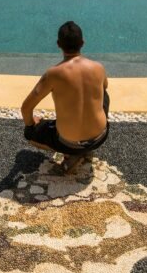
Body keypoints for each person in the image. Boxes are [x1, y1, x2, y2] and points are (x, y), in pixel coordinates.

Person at [22, 21, 110, 172]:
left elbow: (26, 108)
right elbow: (104, 88)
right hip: (100, 136)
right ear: (82, 43)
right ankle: (85, 149)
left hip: (68, 143)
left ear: (58, 44)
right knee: (104, 94)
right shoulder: (98, 67)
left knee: (29, 133)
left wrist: (31, 125)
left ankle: (72, 154)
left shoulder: (53, 74)